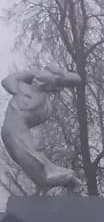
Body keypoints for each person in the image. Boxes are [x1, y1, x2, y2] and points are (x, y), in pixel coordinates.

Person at [2, 67, 82, 195]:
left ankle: (69, 178)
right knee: (31, 166)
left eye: (40, 81)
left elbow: (8, 81)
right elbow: (6, 81)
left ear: (49, 87)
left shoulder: (44, 106)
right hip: (8, 134)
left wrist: (57, 78)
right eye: (36, 79)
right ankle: (45, 186)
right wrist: (34, 73)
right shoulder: (24, 89)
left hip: (18, 136)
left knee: (35, 166)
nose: (35, 81)